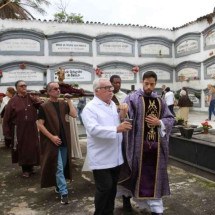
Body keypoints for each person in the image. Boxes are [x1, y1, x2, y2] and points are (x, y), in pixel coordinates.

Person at [118, 71, 175, 215]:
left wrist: (159, 122)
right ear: (142, 82)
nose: (149, 87)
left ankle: (156, 208)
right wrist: (123, 113)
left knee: (155, 176)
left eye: (152, 84)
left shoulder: (160, 100)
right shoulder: (132, 98)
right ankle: (126, 199)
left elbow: (170, 118)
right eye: (146, 84)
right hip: (137, 146)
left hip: (156, 148)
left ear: (155, 84)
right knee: (134, 173)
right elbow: (123, 118)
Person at [81, 78, 132, 215]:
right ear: (97, 91)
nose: (111, 90)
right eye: (107, 88)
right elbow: (94, 129)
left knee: (112, 189)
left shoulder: (111, 105)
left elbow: (115, 121)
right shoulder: (90, 108)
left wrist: (121, 115)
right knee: (104, 189)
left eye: (111, 88)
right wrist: (117, 129)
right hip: (101, 158)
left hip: (115, 157)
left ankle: (109, 212)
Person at [37, 82, 77, 205]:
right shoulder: (44, 106)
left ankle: (58, 186)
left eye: (58, 89)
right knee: (58, 168)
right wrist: (51, 137)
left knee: (63, 165)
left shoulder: (63, 104)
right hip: (52, 142)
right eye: (54, 89)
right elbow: (39, 124)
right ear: (49, 92)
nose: (58, 90)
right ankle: (64, 193)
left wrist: (69, 101)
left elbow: (74, 114)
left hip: (64, 140)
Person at [3, 80, 41, 178]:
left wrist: (37, 99)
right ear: (17, 88)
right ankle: (25, 170)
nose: (24, 87)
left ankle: (31, 167)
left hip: (32, 128)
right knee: (23, 148)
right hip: (19, 129)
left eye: (25, 85)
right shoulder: (12, 101)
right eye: (21, 86)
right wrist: (6, 133)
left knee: (33, 147)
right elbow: (6, 118)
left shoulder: (31, 97)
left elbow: (40, 107)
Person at [57, 67, 83, 159]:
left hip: (69, 111)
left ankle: (70, 152)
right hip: (58, 113)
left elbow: (79, 92)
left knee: (70, 132)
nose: (61, 76)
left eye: (62, 74)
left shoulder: (67, 88)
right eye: (60, 74)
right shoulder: (57, 87)